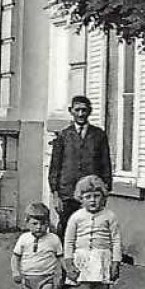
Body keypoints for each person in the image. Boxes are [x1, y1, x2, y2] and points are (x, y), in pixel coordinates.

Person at [63, 175, 123, 289]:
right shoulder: (76, 217)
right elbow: (69, 241)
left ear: (103, 197)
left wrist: (115, 262)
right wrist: (69, 263)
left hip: (102, 260)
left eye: (96, 196)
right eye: (88, 197)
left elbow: (116, 241)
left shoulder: (109, 217)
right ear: (81, 199)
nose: (93, 200)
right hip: (83, 261)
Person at [46, 95, 112, 242]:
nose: (81, 114)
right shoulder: (64, 135)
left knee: (89, 230)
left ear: (89, 111)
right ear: (71, 111)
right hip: (67, 192)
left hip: (91, 193)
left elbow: (105, 164)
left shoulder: (98, 135)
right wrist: (55, 194)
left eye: (84, 110)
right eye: (77, 110)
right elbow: (55, 167)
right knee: (66, 229)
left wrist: (105, 190)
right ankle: (65, 262)